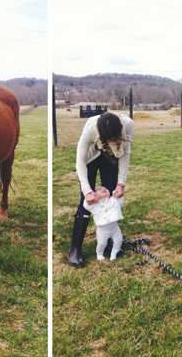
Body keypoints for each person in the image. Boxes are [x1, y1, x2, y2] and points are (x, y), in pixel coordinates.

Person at [68, 111, 134, 267]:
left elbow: (126, 153)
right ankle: (75, 250)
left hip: (111, 158)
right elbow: (80, 162)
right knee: (86, 202)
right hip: (90, 159)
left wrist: (121, 183)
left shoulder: (128, 124)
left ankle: (109, 243)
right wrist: (87, 191)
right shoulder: (90, 127)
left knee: (111, 196)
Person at [83, 186, 124, 261]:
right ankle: (99, 254)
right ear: (95, 195)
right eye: (99, 190)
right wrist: (88, 198)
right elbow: (86, 205)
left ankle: (114, 253)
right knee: (101, 243)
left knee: (119, 240)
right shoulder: (94, 205)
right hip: (102, 230)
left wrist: (117, 191)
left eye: (105, 189)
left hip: (114, 228)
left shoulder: (114, 200)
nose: (103, 189)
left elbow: (120, 198)